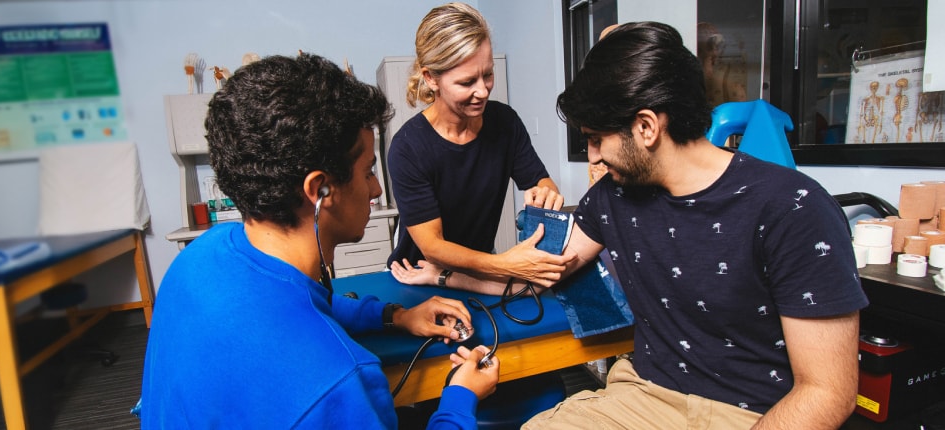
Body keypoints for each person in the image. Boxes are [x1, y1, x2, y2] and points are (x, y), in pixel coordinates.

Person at [405, 22, 868, 429]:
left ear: (646, 127)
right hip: (641, 395)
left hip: (749, 415)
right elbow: (540, 273)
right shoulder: (613, 196)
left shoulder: (793, 208)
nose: (591, 158)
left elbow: (827, 393)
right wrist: (445, 276)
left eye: (594, 140)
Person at [140, 53, 499, 429]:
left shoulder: (199, 256)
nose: (376, 189)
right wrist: (461, 397)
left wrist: (394, 316)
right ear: (320, 189)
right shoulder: (339, 383)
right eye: (368, 172)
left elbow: (302, 300)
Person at [386, 2, 573, 287]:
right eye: (467, 81)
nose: (482, 90)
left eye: (487, 74)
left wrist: (546, 194)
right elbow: (432, 246)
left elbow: (541, 182)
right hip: (419, 274)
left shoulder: (504, 123)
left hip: (481, 266)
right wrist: (507, 264)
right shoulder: (408, 148)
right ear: (430, 78)